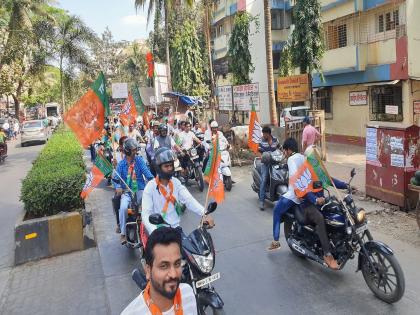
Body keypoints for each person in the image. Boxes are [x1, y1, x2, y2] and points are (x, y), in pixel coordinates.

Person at [121, 227, 197, 315]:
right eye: (164, 266)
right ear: (148, 271)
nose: (173, 274)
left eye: (177, 264)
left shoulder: (187, 293)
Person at [142, 147, 214, 235]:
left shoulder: (176, 182)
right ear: (158, 167)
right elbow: (146, 214)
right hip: (158, 231)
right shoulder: (150, 187)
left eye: (171, 165)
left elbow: (189, 200)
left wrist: (204, 213)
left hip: (176, 229)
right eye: (166, 166)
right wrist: (153, 231)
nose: (169, 168)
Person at [301, 175, 348, 270]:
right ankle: (327, 254)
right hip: (308, 205)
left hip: (321, 203)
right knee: (319, 218)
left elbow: (331, 180)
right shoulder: (305, 173)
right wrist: (315, 199)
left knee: (338, 210)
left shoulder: (318, 171)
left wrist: (346, 185)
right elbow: (305, 190)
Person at [268, 138, 305, 251]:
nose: (284, 153)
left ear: (288, 150)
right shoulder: (302, 157)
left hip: (294, 195)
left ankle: (276, 241)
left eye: (284, 150)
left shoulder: (291, 159)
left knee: (276, 211)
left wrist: (297, 192)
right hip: (305, 194)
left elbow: (293, 175)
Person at [115, 138, 154, 244]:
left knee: (148, 207)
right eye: (133, 150)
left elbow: (147, 173)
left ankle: (151, 229)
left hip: (140, 190)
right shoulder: (121, 164)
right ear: (127, 151)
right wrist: (117, 186)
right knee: (123, 208)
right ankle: (123, 233)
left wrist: (154, 181)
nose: (135, 151)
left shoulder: (139, 160)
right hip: (127, 193)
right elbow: (115, 179)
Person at [258, 126, 280, 210]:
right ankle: (261, 201)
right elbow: (258, 152)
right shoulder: (261, 140)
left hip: (275, 162)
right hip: (265, 163)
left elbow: (280, 149)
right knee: (264, 179)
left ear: (269, 134)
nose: (263, 135)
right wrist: (262, 157)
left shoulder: (275, 140)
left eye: (265, 133)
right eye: (263, 133)